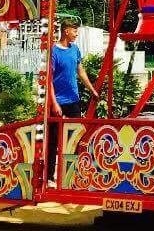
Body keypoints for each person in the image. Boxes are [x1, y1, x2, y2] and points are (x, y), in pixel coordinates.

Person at [46, 19, 99, 186]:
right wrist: (54, 104)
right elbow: (48, 80)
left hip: (73, 100)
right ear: (66, 31)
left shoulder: (75, 49)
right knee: (54, 140)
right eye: (74, 31)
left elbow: (80, 71)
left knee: (76, 137)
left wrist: (91, 89)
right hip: (59, 101)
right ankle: (49, 177)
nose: (76, 34)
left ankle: (75, 173)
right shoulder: (53, 51)